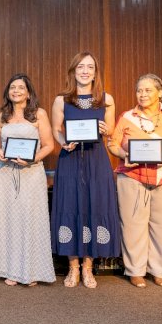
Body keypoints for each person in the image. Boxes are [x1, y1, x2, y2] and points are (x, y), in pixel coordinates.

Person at [108, 74, 162, 288]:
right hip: (132, 176)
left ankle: (161, 271)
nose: (143, 94)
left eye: (148, 90)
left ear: (160, 92)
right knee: (132, 224)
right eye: (139, 90)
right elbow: (112, 143)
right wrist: (124, 155)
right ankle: (135, 270)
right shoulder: (126, 116)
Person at [50, 51, 120, 288]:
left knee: (94, 207)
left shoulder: (106, 98)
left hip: (97, 160)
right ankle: (73, 268)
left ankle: (89, 268)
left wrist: (105, 129)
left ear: (95, 71)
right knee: (70, 207)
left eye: (90, 67)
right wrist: (63, 142)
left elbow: (111, 130)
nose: (85, 71)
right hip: (69, 159)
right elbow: (56, 129)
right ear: (73, 70)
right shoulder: (62, 99)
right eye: (80, 66)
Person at [0, 74, 56, 286]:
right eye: (12, 87)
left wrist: (33, 158)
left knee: (29, 219)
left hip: (31, 173)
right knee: (7, 219)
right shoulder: (1, 116)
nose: (16, 91)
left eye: (21, 88)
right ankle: (10, 270)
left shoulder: (39, 114)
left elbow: (49, 145)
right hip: (5, 173)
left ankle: (30, 271)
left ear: (28, 92)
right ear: (8, 92)